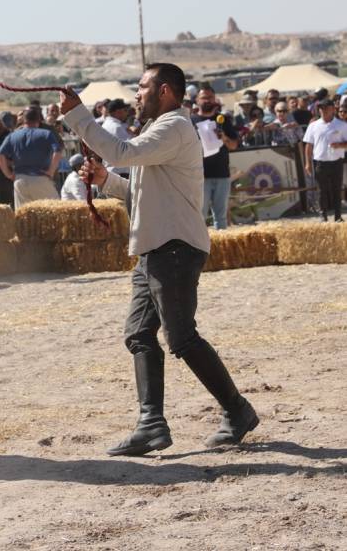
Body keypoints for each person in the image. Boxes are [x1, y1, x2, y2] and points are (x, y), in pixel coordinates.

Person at [60, 62, 259, 456]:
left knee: (181, 337)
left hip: (173, 249)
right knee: (139, 334)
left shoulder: (174, 128)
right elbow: (139, 193)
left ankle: (237, 411)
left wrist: (77, 115)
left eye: (142, 86)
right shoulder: (160, 131)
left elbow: (120, 151)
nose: (136, 94)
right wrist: (106, 182)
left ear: (165, 91)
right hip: (156, 250)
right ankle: (151, 425)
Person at [0, 106, 63, 208]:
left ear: (23, 120)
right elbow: (58, 152)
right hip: (41, 178)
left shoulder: (13, 135)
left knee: (24, 217)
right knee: (54, 212)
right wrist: (51, 171)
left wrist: (8, 174)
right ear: (39, 119)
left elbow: (0, 155)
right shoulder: (46, 134)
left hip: (20, 180)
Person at [193, 87, 239, 230]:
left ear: (215, 99)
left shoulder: (223, 120)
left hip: (221, 174)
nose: (207, 100)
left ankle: (220, 249)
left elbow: (234, 146)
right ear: (197, 100)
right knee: (199, 216)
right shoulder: (190, 121)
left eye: (210, 97)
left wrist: (224, 137)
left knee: (221, 217)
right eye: (204, 97)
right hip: (200, 175)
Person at [302, 98, 347, 222]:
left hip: (336, 161)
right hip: (320, 162)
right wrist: (307, 163)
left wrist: (339, 145)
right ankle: (323, 215)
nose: (323, 111)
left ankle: (338, 216)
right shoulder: (313, 125)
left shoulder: (342, 125)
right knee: (322, 190)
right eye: (321, 108)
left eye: (326, 108)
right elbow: (308, 145)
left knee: (336, 189)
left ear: (333, 109)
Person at [101, 99, 132, 177]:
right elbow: (129, 149)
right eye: (125, 110)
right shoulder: (117, 127)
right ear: (118, 112)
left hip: (111, 171)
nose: (127, 113)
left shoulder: (106, 124)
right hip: (120, 172)